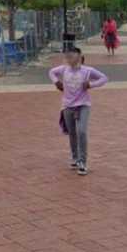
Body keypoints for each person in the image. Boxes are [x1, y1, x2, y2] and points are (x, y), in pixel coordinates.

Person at [48, 47, 109, 176]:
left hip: (83, 105)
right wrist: (56, 82)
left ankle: (83, 162)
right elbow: (51, 72)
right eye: (68, 57)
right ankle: (75, 158)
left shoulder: (87, 71)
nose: (70, 59)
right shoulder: (63, 70)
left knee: (81, 131)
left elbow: (104, 78)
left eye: (73, 56)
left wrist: (91, 84)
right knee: (72, 133)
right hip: (67, 106)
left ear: (80, 57)